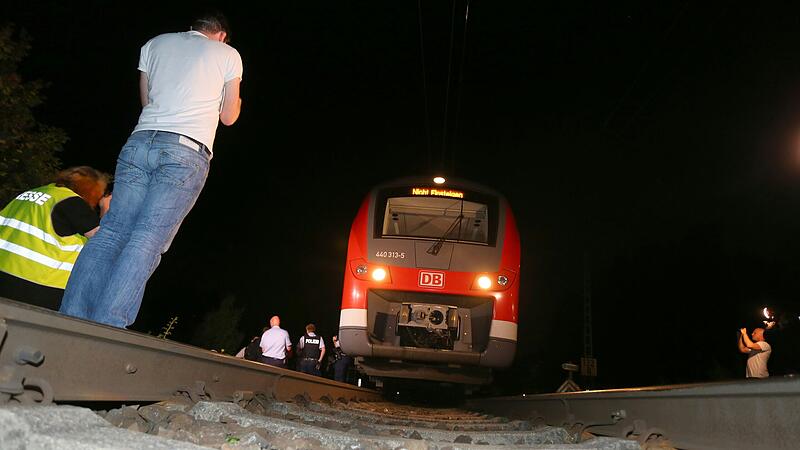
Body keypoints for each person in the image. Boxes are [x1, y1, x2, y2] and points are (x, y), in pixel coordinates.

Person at [59, 10, 243, 328]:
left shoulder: (154, 44)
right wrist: (236, 102)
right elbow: (228, 116)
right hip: (185, 151)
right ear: (221, 35)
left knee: (112, 231)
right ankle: (109, 322)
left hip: (140, 142)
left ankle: (73, 314)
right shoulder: (228, 54)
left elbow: (147, 100)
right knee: (147, 238)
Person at [0, 167, 111, 310]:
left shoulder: (30, 194)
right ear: (91, 191)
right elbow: (104, 241)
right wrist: (106, 209)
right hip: (37, 286)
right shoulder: (71, 202)